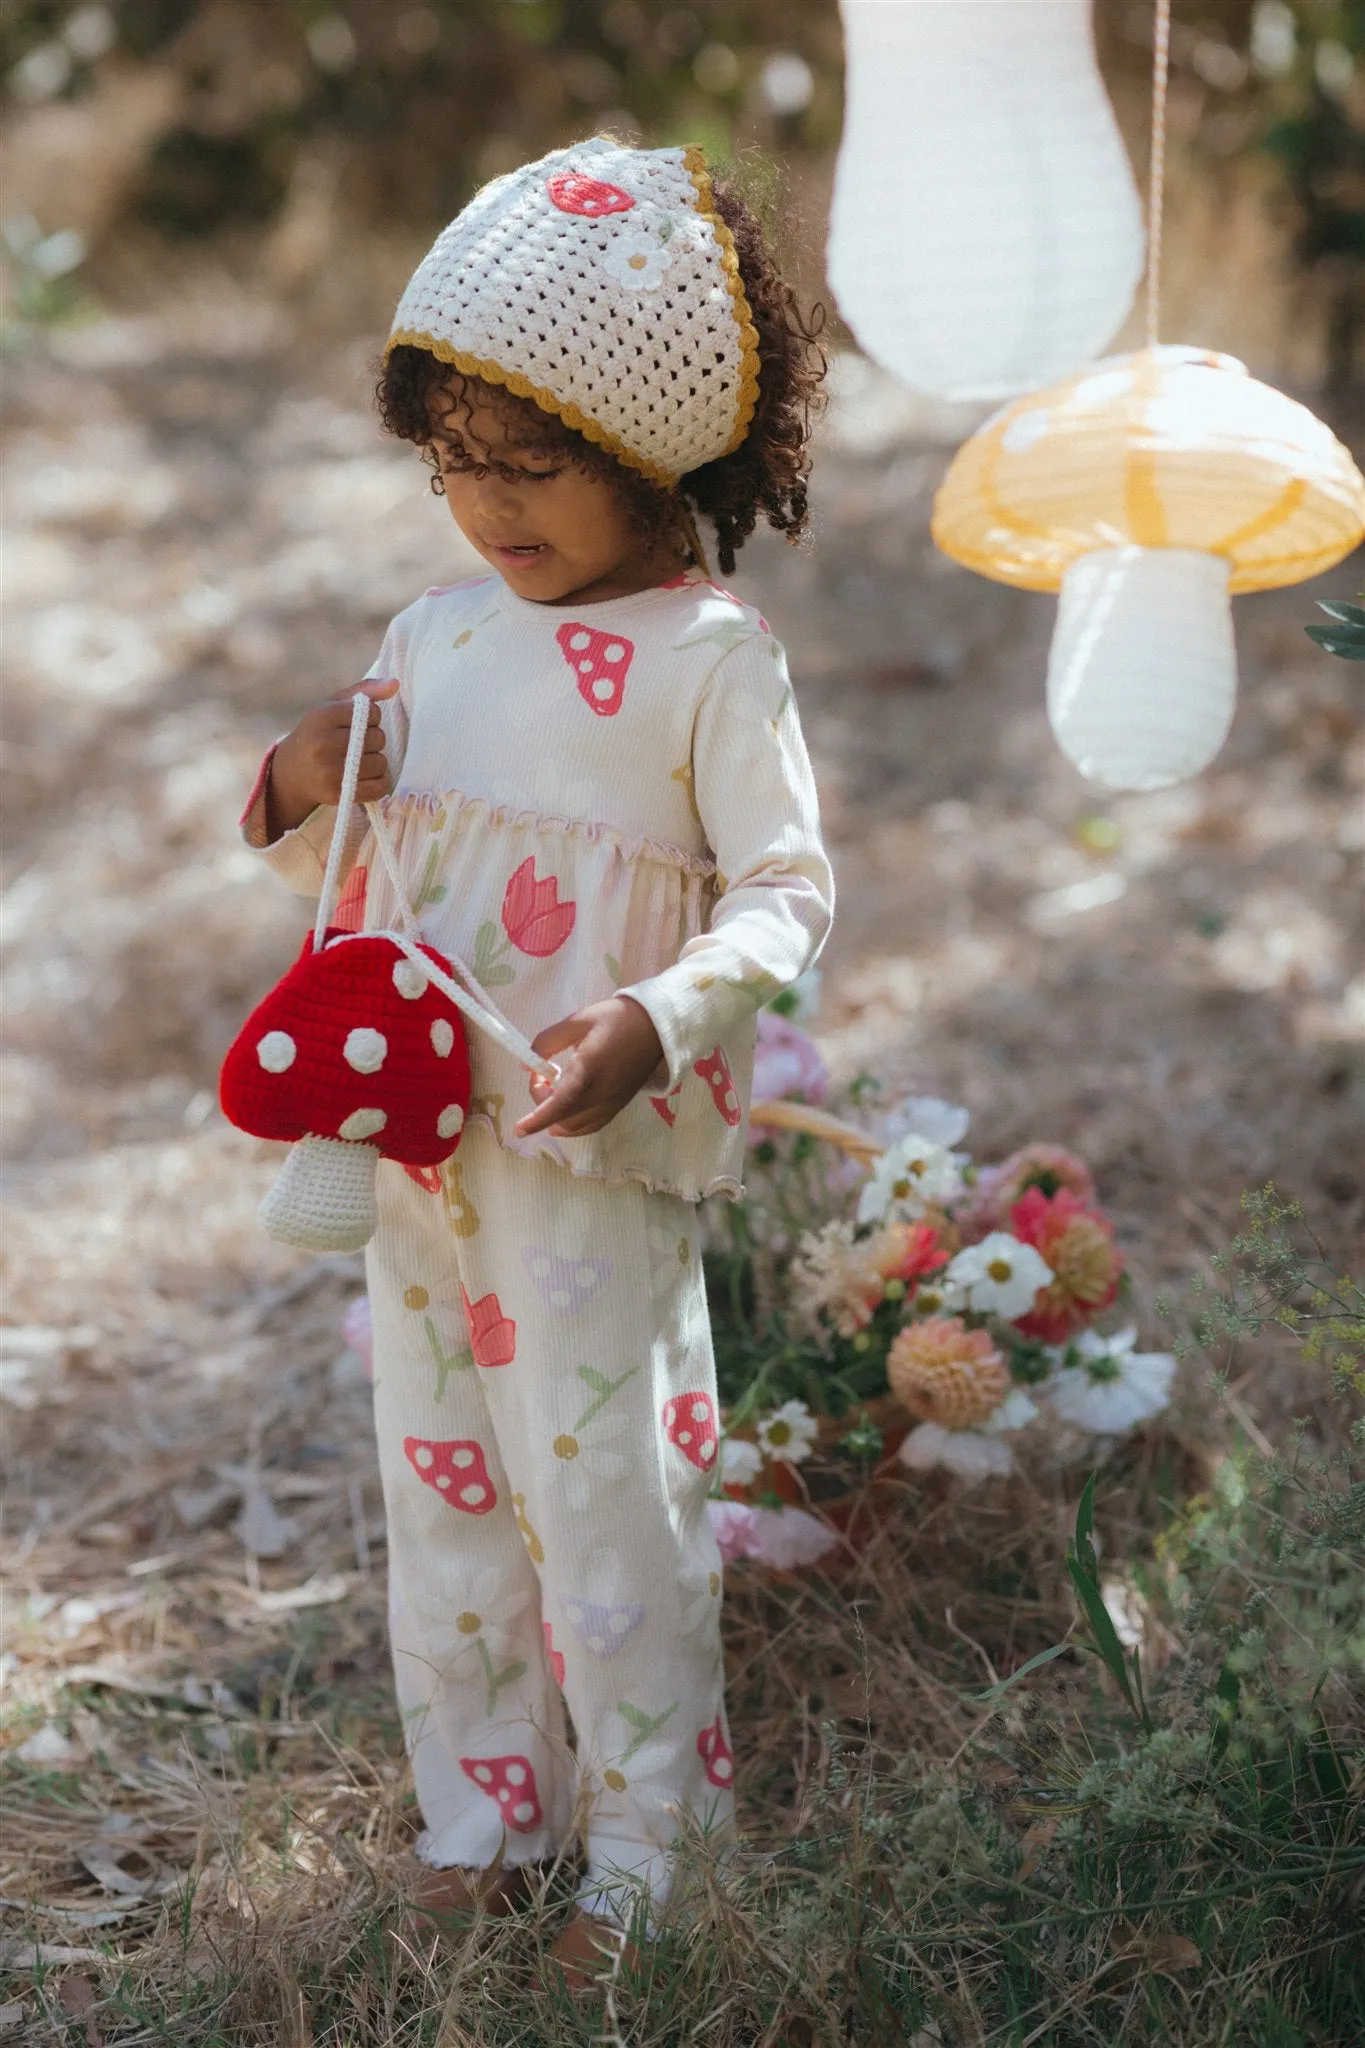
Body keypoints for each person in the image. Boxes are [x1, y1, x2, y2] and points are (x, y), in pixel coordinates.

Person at [240, 137, 833, 1983]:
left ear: (663, 453)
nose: (489, 510)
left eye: (537, 466)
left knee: (608, 1511)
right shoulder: (437, 634)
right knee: (448, 1499)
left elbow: (791, 893)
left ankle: (656, 1864)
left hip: (591, 1163)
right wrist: (297, 770)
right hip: (427, 1158)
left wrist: (659, 1017)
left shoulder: (709, 664)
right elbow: (345, 863)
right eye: (455, 465)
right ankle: (487, 1821)